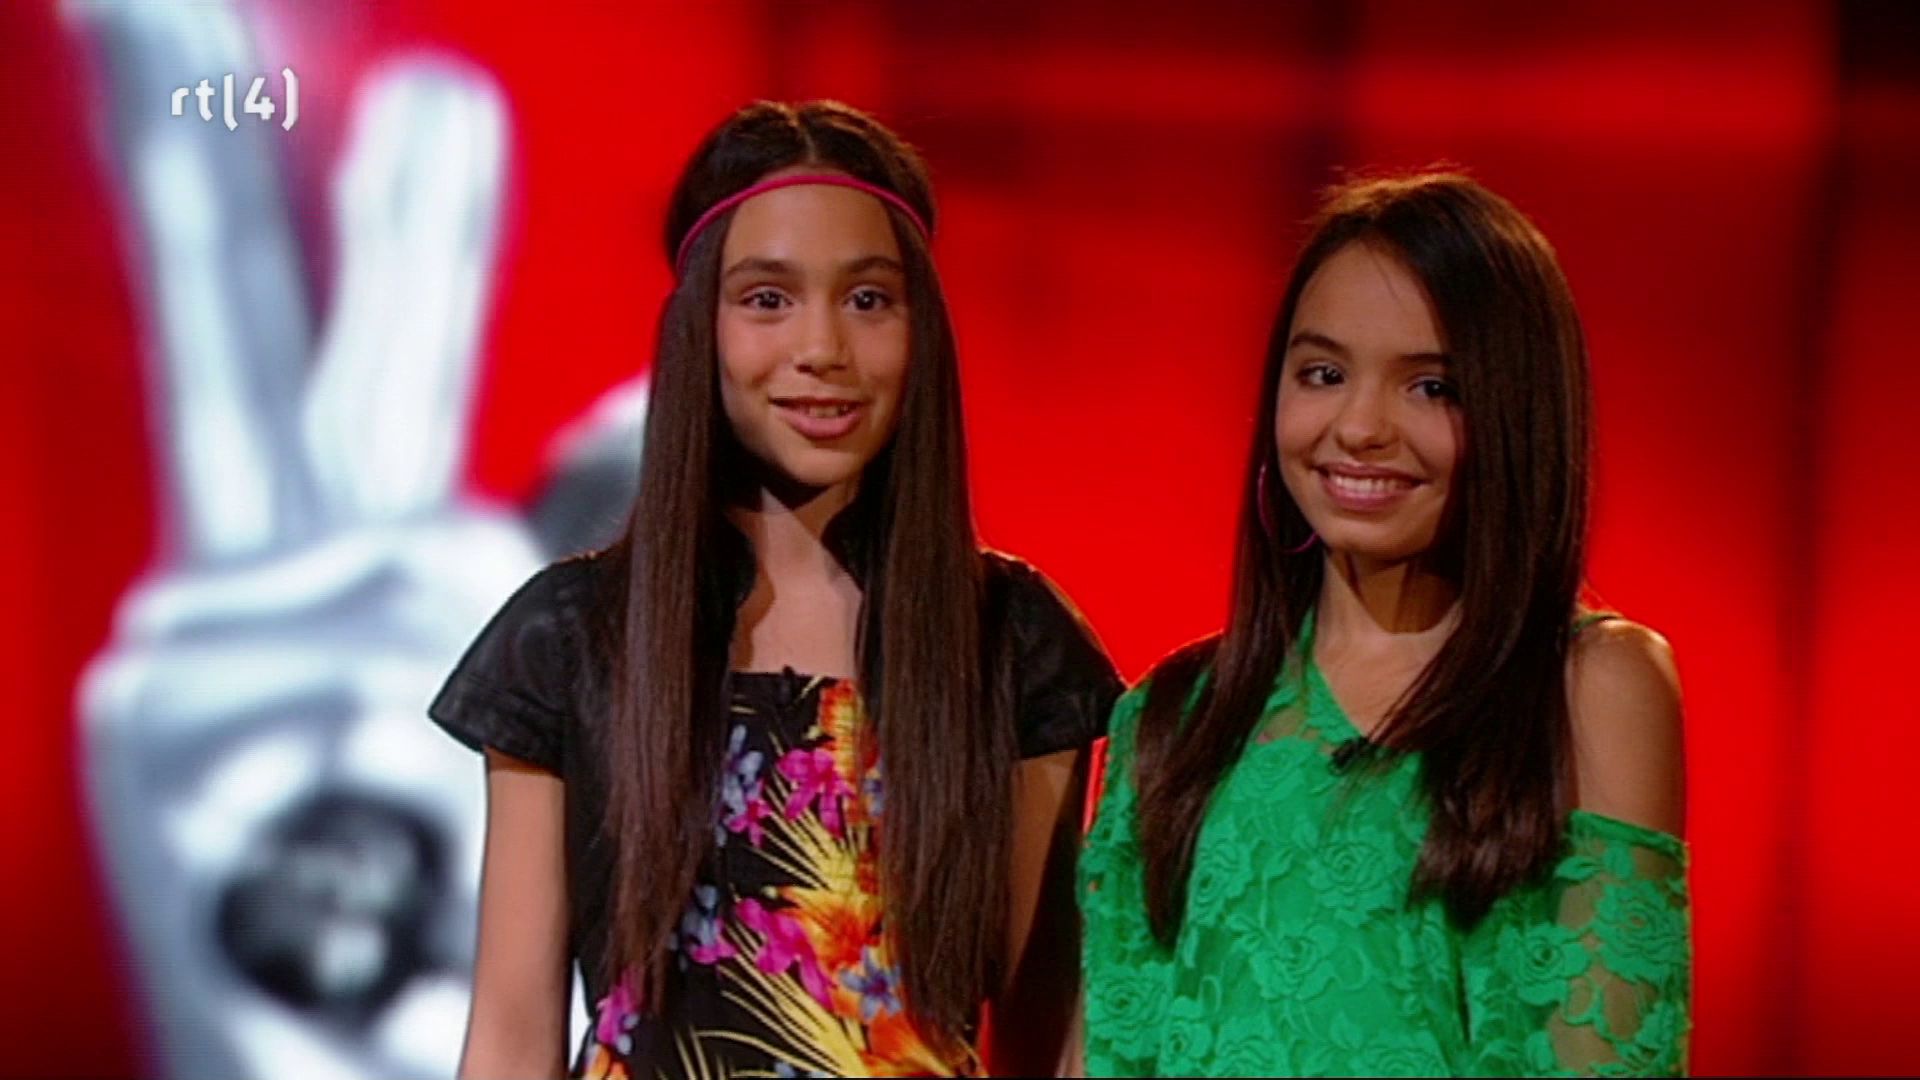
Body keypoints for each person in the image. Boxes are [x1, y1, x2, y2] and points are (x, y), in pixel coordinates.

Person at [430, 100, 1122, 1079]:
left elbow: (1048, 1029)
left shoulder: (1010, 639)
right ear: (699, 329)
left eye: (868, 299)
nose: (822, 347)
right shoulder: (572, 636)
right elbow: (511, 1030)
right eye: (767, 299)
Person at [1077, 172, 1689, 1077]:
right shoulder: (1172, 717)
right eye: (1323, 374)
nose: (1360, 426)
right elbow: (1101, 1050)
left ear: (1518, 412)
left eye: (1432, 386)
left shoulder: (1594, 686)